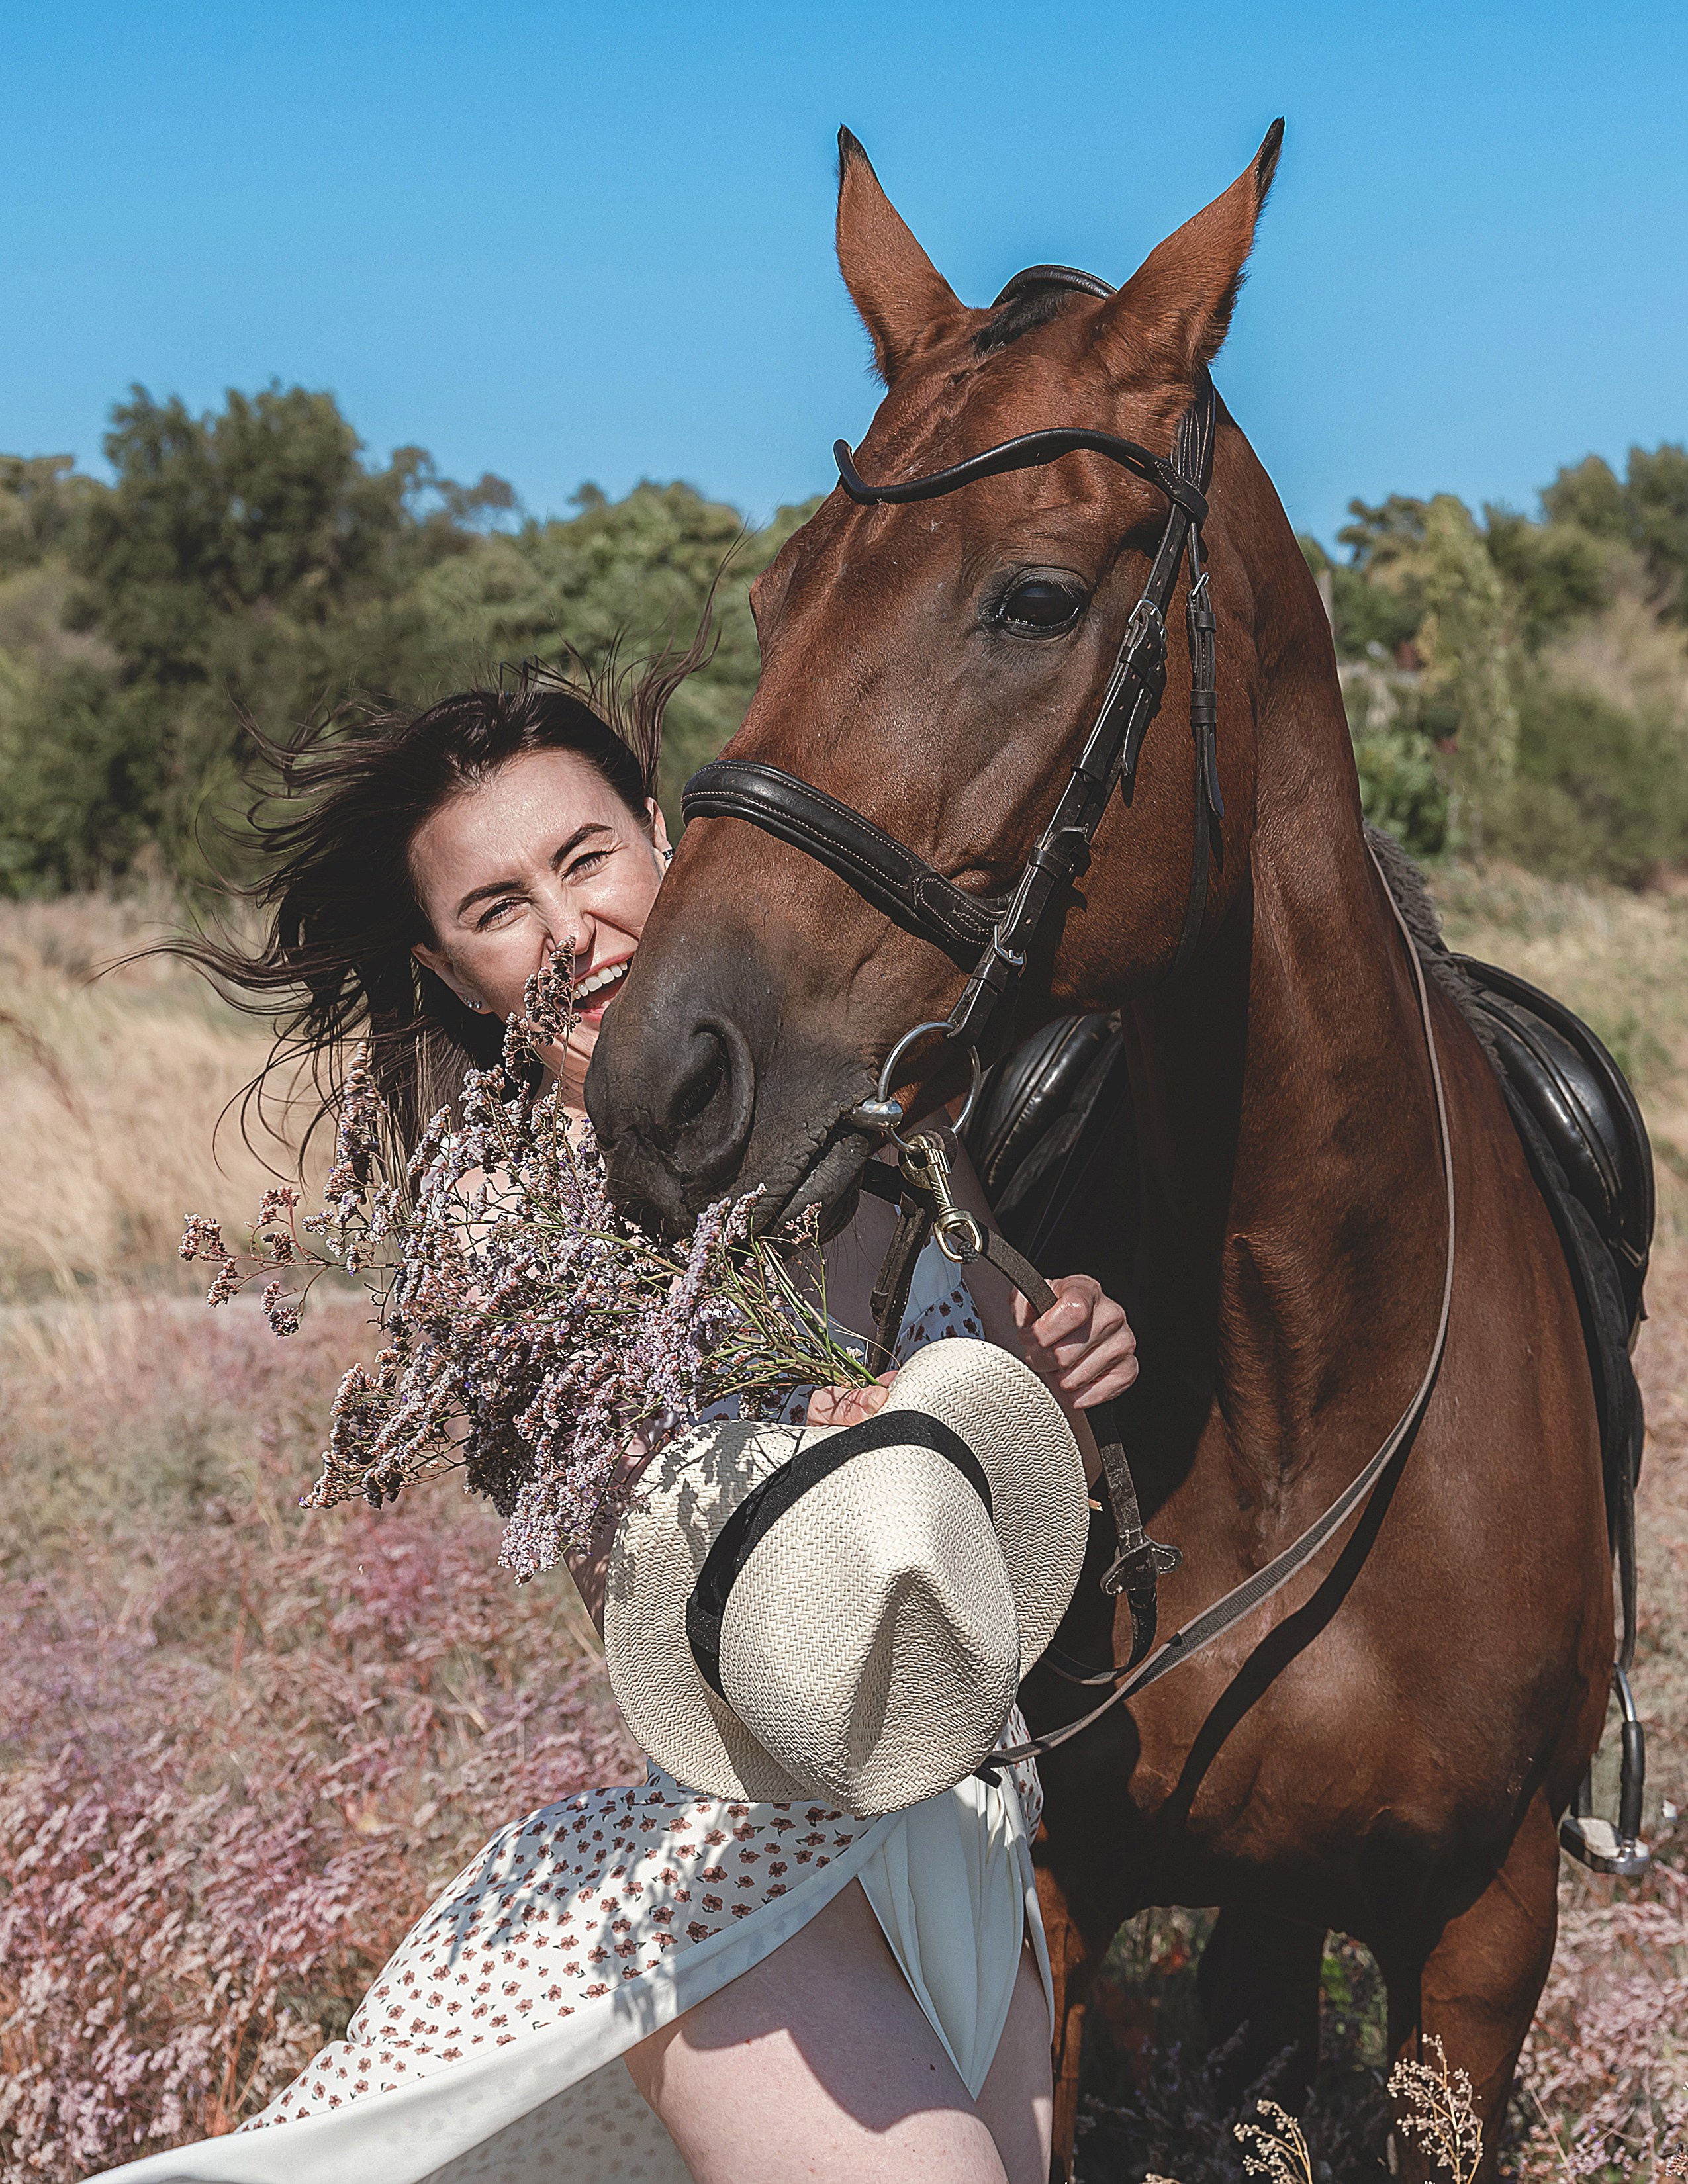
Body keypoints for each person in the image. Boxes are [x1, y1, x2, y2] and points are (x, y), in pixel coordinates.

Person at [117, 660, 1139, 2184]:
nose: (567, 926)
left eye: (586, 856)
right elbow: (640, 1545)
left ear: (662, 836)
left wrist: (1060, 1348)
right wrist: (814, 1430)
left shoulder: (878, 1105)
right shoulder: (495, 1216)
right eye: (497, 906)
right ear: (449, 968)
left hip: (971, 1810)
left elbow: (996, 1386)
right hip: (743, 1853)